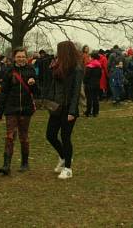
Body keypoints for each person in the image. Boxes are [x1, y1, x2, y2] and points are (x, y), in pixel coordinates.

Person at [44, 40, 84, 180]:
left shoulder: (76, 69)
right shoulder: (56, 66)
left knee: (66, 137)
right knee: (50, 135)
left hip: (68, 108)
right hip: (56, 107)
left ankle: (68, 168)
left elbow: (76, 92)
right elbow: (52, 86)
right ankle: (63, 156)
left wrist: (72, 111)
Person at [0, 48, 37, 175]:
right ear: (14, 58)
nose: (21, 58)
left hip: (25, 109)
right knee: (9, 136)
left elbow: (37, 92)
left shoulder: (31, 70)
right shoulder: (9, 71)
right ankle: (6, 165)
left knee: (23, 137)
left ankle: (25, 163)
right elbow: (4, 92)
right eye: (18, 56)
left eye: (23, 56)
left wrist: (33, 84)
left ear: (26, 57)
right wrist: (0, 109)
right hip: (11, 109)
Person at [83, 53, 102, 117]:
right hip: (96, 84)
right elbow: (100, 76)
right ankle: (95, 112)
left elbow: (86, 77)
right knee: (95, 98)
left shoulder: (89, 66)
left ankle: (88, 112)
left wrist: (85, 82)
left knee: (89, 99)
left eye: (90, 57)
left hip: (89, 85)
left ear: (93, 58)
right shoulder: (99, 66)